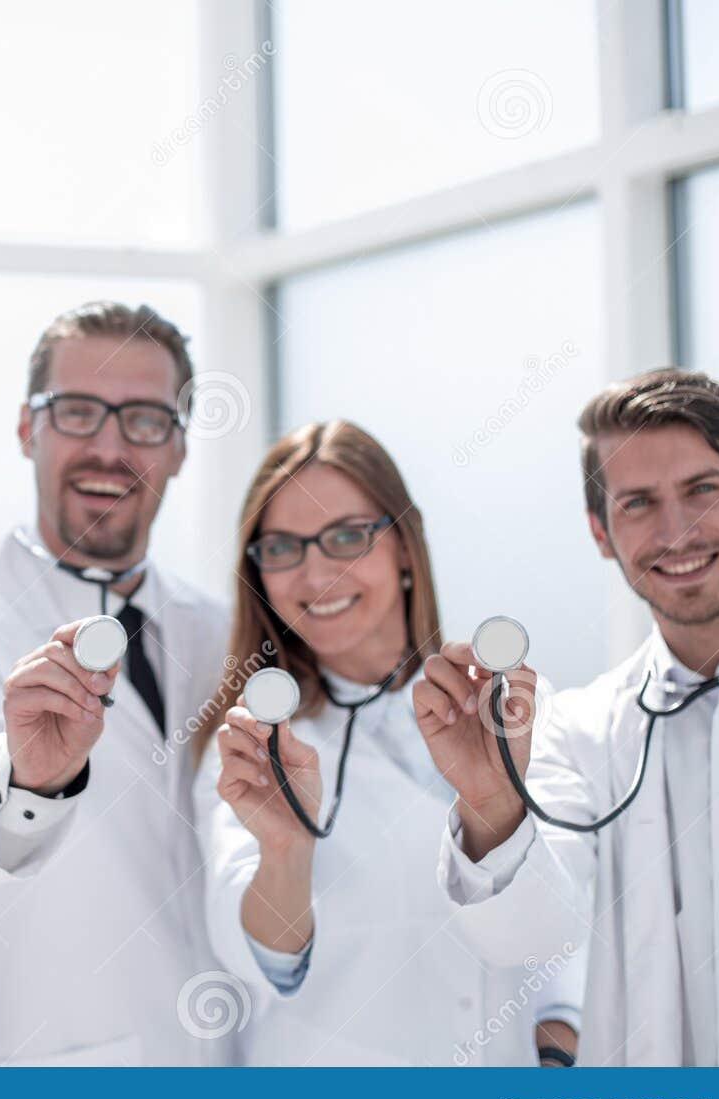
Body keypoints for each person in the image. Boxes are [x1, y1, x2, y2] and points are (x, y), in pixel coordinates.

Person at [419, 368, 719, 1065]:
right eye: (637, 503)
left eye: (702, 489)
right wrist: (490, 802)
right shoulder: (579, 729)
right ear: (601, 532)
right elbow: (528, 934)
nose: (675, 530)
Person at [0, 301, 232, 1065]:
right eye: (78, 412)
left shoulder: (220, 632)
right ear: (27, 429)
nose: (109, 447)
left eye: (145, 419)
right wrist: (29, 778)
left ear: (178, 446)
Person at [193, 420, 583, 1065]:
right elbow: (258, 960)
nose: (316, 572)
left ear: (404, 544)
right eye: (283, 547)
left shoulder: (508, 710)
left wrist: (559, 1041)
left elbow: (565, 926)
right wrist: (286, 851)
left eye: (346, 537)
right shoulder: (251, 743)